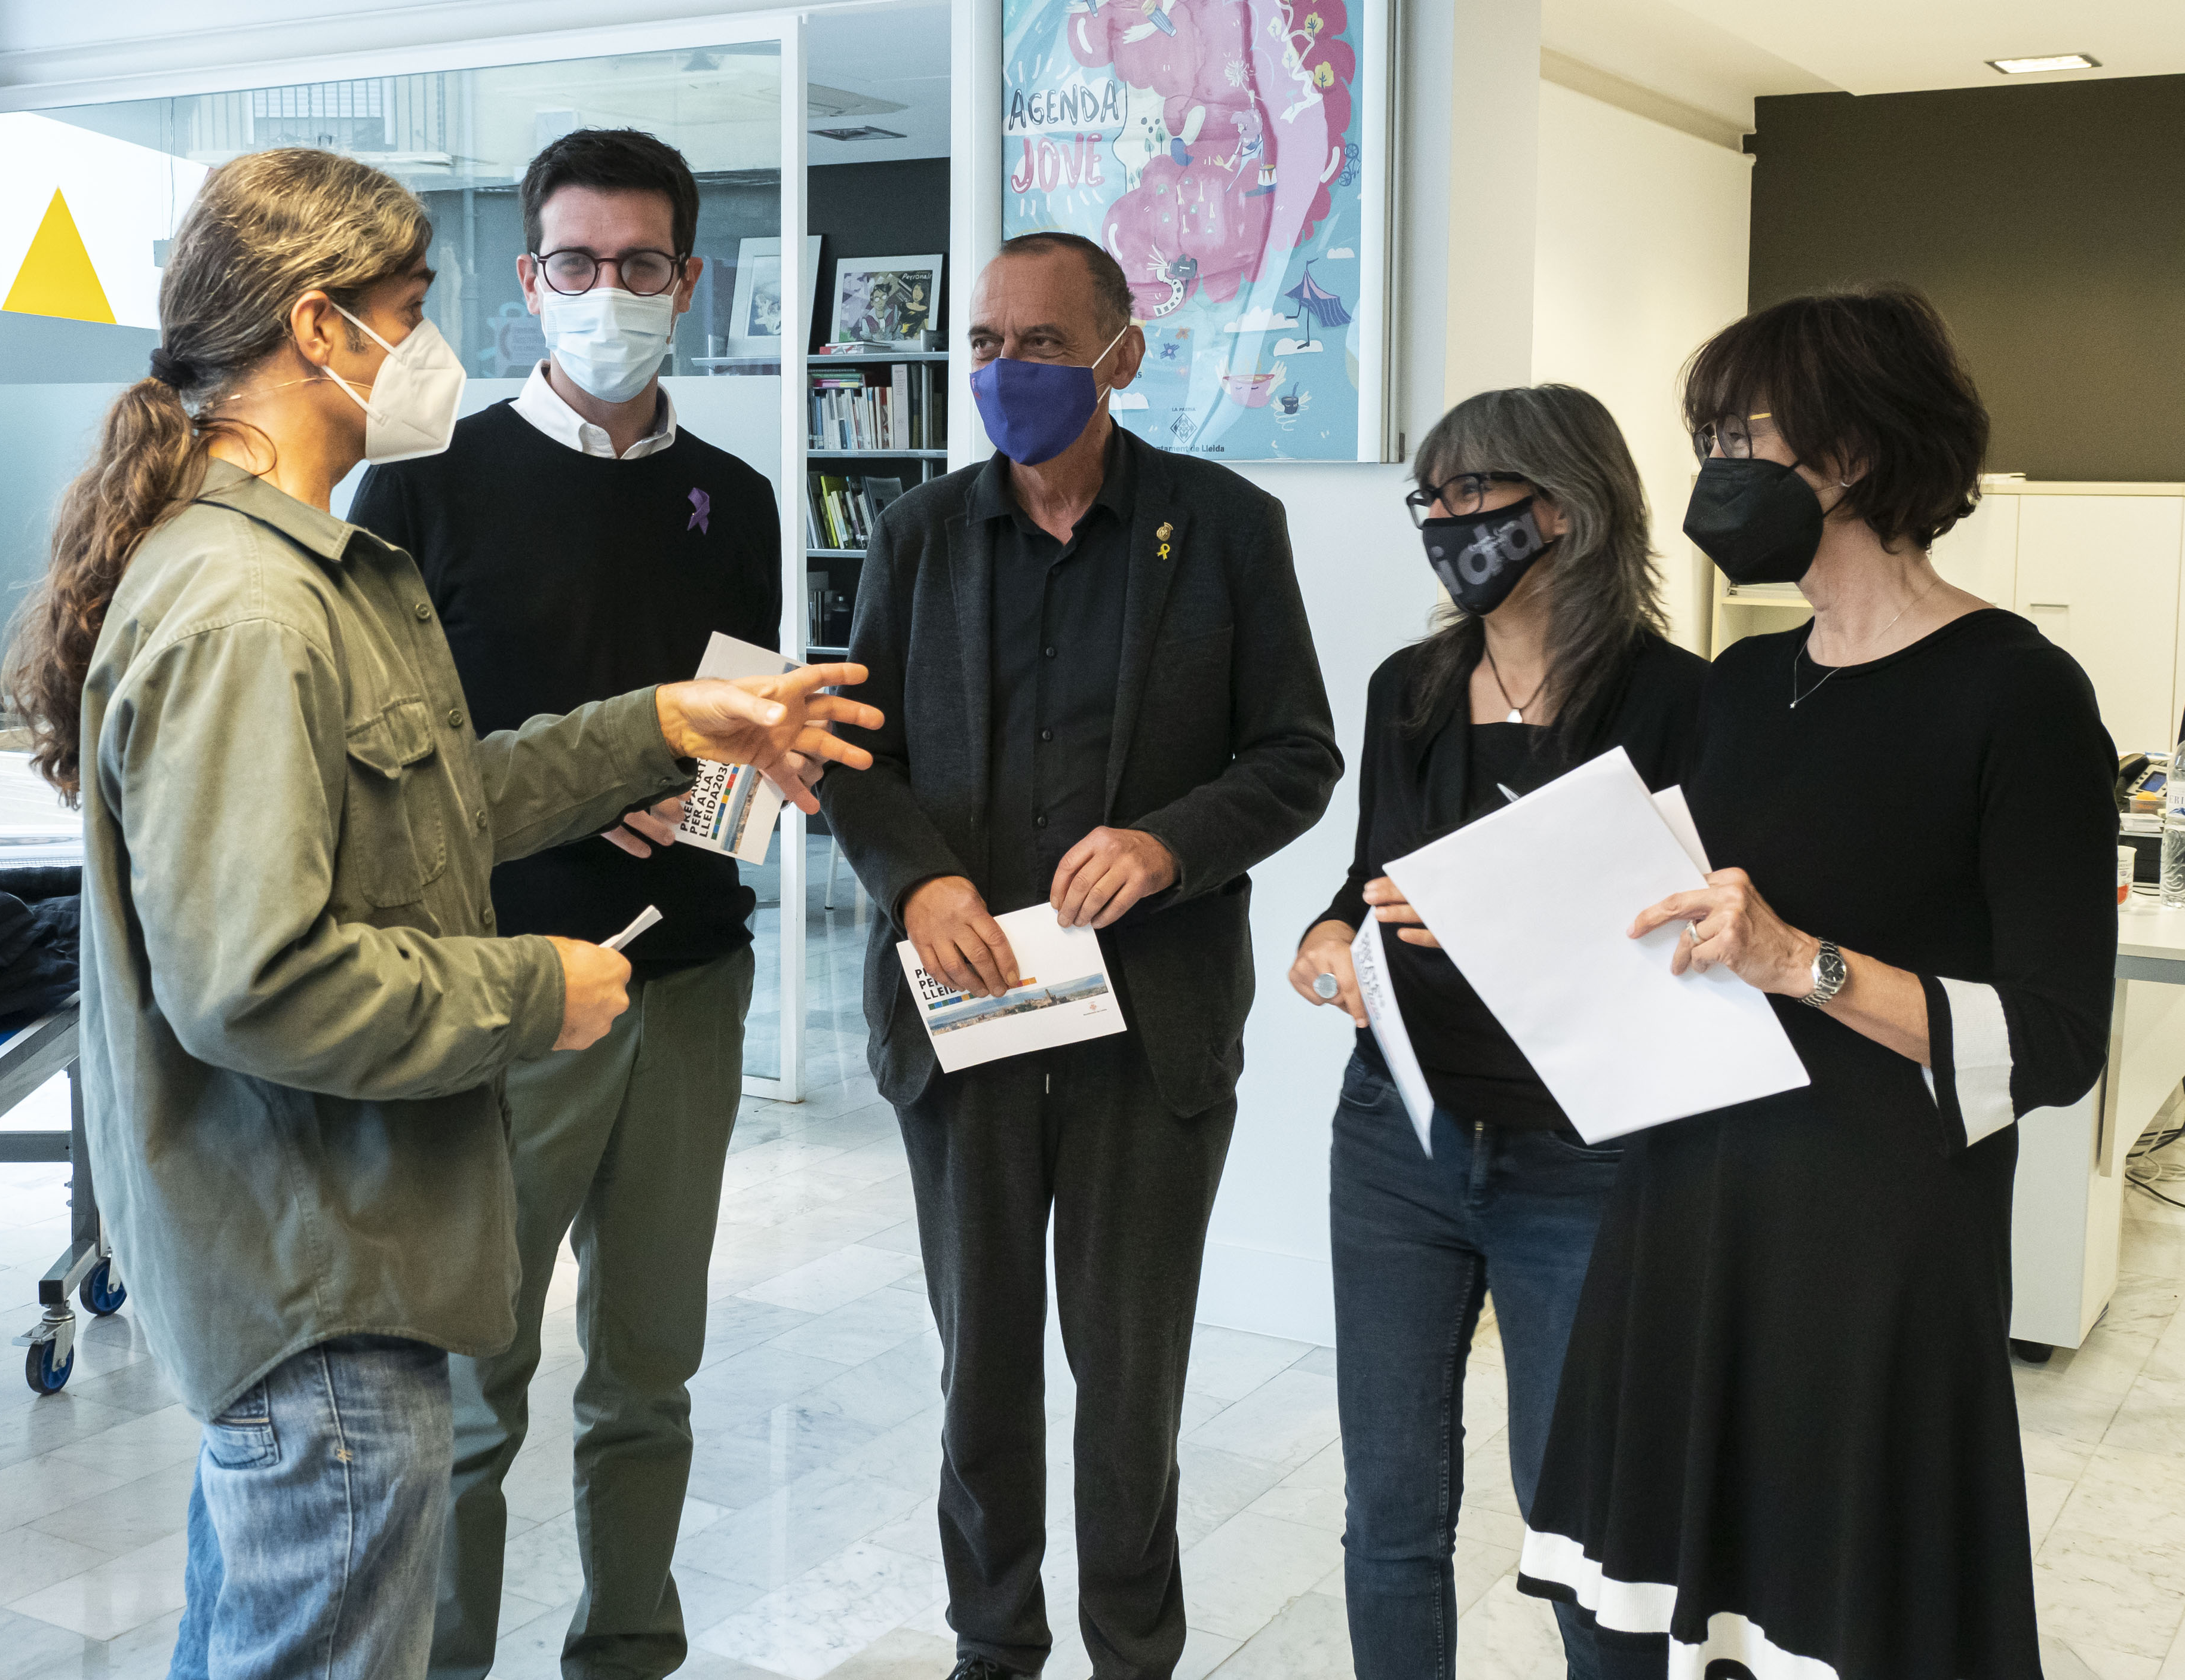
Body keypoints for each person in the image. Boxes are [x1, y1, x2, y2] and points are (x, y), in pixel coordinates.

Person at [0, 146, 877, 1680]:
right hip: (318, 1276)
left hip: (339, 1250)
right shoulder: (252, 607)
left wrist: (662, 726)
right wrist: (535, 992)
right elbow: (253, 981)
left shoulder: (296, 574)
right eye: (411, 310)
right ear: (321, 327)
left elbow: (432, 801)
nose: (431, 346)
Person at [1518, 287, 2117, 1678]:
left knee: (1834, 1620)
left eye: (1740, 439)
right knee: (1645, 1619)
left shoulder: (2020, 693)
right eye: (1706, 442)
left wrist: (1804, 963)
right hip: (1690, 1201)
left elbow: (2057, 1039)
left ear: (1852, 450)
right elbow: (1698, 923)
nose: (1714, 473)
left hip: (1871, 1239)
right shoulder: (1740, 683)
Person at [820, 231, 1342, 1680]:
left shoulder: (1223, 528)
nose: (1006, 371)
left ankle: (1132, 1652)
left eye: (1040, 345)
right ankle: (993, 1645)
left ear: (1122, 354)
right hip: (966, 1013)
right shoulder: (919, 534)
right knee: (980, 1374)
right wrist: (919, 882)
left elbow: (1295, 755)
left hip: (1148, 1028)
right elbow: (857, 758)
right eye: (985, 345)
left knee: (1129, 1385)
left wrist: (1167, 846)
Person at [348, 126, 787, 1680]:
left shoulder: (734, 500)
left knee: (649, 1374)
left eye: (642, 262)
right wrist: (588, 782)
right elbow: (380, 769)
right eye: (579, 262)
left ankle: (628, 1646)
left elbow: (745, 727)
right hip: (503, 983)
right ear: (530, 280)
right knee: (473, 1387)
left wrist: (715, 792)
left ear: (687, 278)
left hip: (690, 977)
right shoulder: (421, 485)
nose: (611, 290)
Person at [1287, 385, 1705, 1679]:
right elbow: (1370, 879)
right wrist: (1326, 938)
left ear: (1565, 508)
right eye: (1431, 496)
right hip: (1397, 1137)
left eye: (1471, 492)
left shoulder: (1680, 700)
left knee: (1583, 1523)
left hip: (1585, 1153)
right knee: (1390, 1512)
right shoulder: (1408, 688)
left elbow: (1685, 925)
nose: (1443, 520)